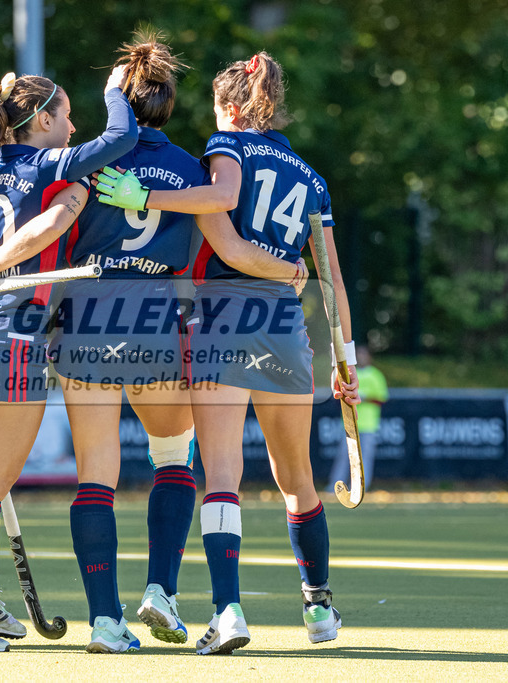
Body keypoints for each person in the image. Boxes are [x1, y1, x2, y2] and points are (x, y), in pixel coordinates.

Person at [0, 33, 306, 654]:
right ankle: (162, 590)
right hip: (154, 323)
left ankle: (104, 621)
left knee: (96, 476)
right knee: (175, 459)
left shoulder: (89, 162)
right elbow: (215, 249)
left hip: (87, 322)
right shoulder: (191, 170)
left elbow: (50, 236)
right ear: (170, 106)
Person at [96, 51, 358, 654]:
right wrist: (344, 357)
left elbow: (227, 241)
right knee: (298, 479)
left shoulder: (227, 146)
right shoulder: (310, 175)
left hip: (224, 317)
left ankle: (228, 611)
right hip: (286, 326)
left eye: (216, 109)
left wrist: (148, 197)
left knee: (221, 475)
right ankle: (318, 609)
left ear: (233, 107)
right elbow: (334, 282)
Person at [0, 65, 139, 653]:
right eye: (66, 115)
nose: (73, 127)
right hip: (14, 341)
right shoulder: (43, 164)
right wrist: (113, 92)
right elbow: (119, 139)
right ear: (41, 120)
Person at [330, 345, 386, 491]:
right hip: (350, 423)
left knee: (365, 458)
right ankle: (336, 487)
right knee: (343, 457)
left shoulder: (376, 375)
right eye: (358, 354)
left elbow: (382, 398)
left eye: (363, 354)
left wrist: (363, 398)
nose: (361, 357)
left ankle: (361, 488)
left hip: (368, 424)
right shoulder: (348, 373)